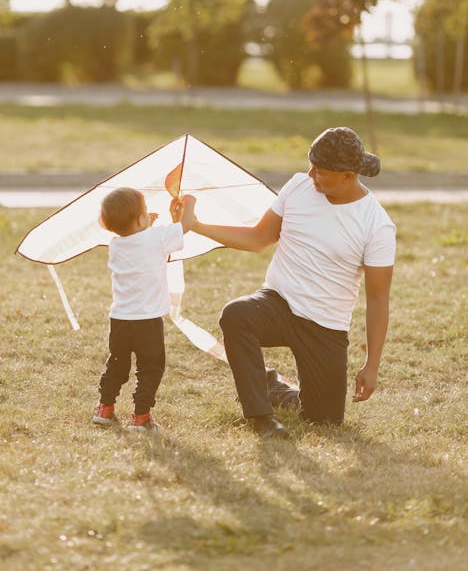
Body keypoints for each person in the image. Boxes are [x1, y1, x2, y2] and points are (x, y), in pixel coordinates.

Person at [191, 127, 396, 438]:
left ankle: (272, 386)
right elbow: (259, 238)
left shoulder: (377, 225)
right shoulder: (299, 186)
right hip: (278, 303)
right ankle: (262, 417)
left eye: (320, 172)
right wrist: (197, 225)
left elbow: (379, 299)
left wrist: (372, 365)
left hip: (325, 326)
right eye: (310, 166)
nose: (310, 175)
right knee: (237, 314)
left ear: (347, 176)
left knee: (324, 421)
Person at [92, 187, 195, 431]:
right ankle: (141, 416)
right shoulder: (156, 238)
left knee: (116, 364)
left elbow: (138, 238)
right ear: (140, 219)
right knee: (150, 368)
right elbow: (186, 225)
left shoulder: (115, 245)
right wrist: (189, 202)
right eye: (145, 211)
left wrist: (146, 223)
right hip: (148, 322)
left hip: (119, 320)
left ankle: (104, 407)